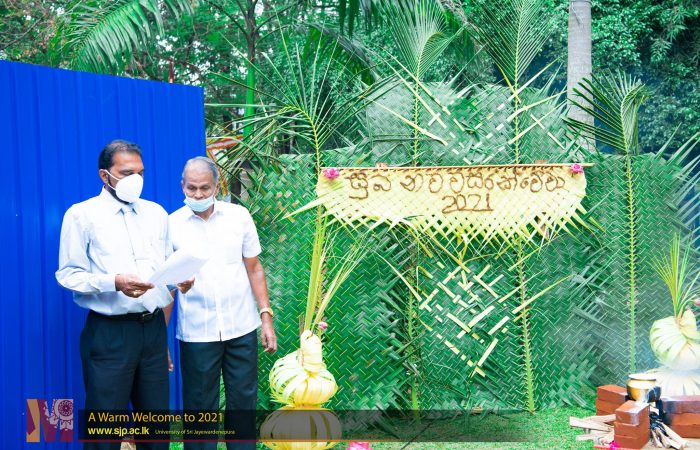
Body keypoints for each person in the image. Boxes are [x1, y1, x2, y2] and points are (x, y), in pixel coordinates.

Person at [56, 140, 192, 450]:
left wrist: (179, 279)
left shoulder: (156, 213)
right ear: (104, 175)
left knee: (155, 428)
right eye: (127, 173)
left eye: (140, 173)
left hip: (153, 332)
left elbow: (165, 267)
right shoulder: (82, 215)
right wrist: (114, 282)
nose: (136, 180)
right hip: (110, 334)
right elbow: (68, 275)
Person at [169, 156, 277, 450]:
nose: (198, 195)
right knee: (199, 405)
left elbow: (254, 268)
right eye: (192, 188)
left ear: (217, 186)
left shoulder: (238, 217)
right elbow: (168, 286)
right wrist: (161, 338)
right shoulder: (171, 225)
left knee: (243, 401)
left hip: (241, 327)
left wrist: (266, 317)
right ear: (182, 186)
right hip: (197, 331)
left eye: (205, 188)